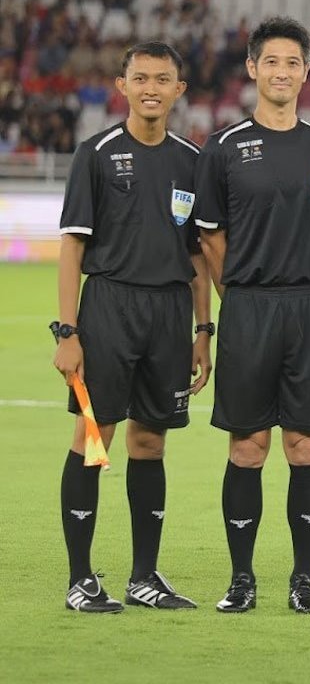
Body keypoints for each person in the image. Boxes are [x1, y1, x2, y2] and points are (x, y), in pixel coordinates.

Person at [192, 16, 310, 615]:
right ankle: (241, 578)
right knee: (248, 448)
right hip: (250, 309)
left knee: (307, 447)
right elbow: (209, 236)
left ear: (306, 74)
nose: (282, 72)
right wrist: (244, 295)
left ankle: (304, 580)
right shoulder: (224, 148)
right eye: (271, 62)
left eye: (294, 63)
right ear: (252, 68)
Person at [53, 40, 209, 613]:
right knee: (94, 440)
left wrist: (203, 329)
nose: (150, 88)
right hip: (109, 309)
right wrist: (66, 332)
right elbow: (72, 245)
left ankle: (145, 576)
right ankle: (80, 580)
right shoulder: (95, 153)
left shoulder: (192, 160)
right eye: (140, 77)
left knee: (151, 440)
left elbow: (196, 255)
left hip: (169, 314)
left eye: (162, 79)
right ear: (122, 85)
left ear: (178, 89)